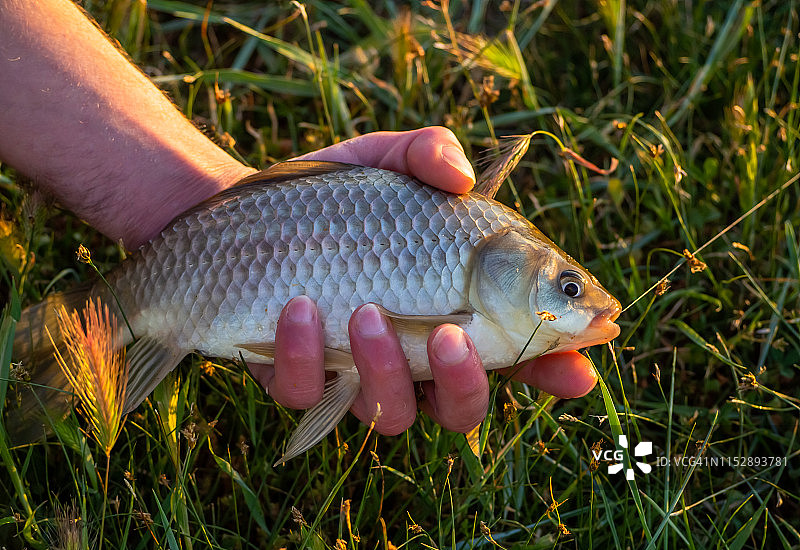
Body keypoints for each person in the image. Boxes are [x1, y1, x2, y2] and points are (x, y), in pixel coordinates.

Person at [0, 0, 598, 438]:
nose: (582, 302)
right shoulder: (471, 246)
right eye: (566, 286)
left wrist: (182, 195)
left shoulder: (481, 269)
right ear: (501, 260)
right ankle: (71, 333)